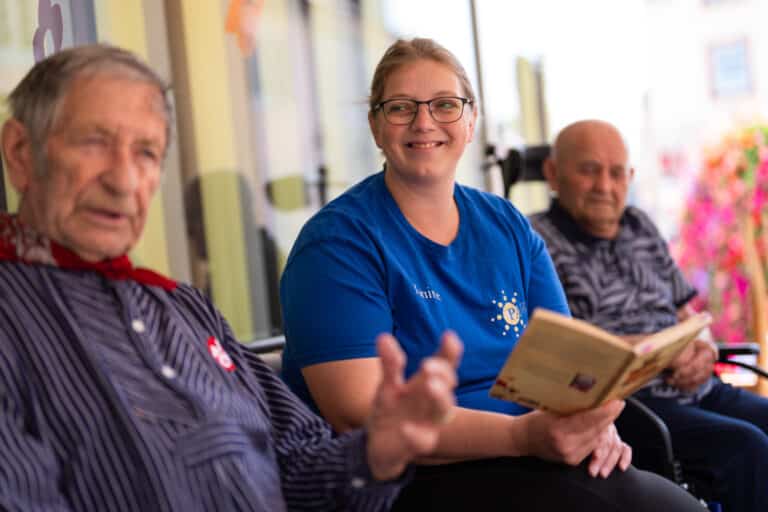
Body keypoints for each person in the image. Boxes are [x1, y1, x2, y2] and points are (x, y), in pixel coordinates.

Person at [0, 44, 464, 512]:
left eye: (145, 153)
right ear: (20, 153)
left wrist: (376, 453)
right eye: (94, 143)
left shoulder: (185, 308)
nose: (123, 181)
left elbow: (301, 463)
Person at [280, 38, 703, 511]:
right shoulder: (337, 244)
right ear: (376, 126)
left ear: (471, 121)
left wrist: (592, 425)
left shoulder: (507, 226)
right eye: (401, 108)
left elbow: (571, 365)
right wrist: (520, 436)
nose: (424, 122)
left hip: (531, 454)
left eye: (445, 105)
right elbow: (362, 417)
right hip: (411, 480)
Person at [530, 118, 768, 511]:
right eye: (589, 170)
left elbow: (685, 311)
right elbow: (556, 352)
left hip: (697, 388)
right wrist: (654, 350)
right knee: (747, 448)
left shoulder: (639, 225)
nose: (604, 186)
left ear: (630, 177)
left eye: (616, 173)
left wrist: (704, 348)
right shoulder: (535, 241)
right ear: (553, 173)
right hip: (630, 406)